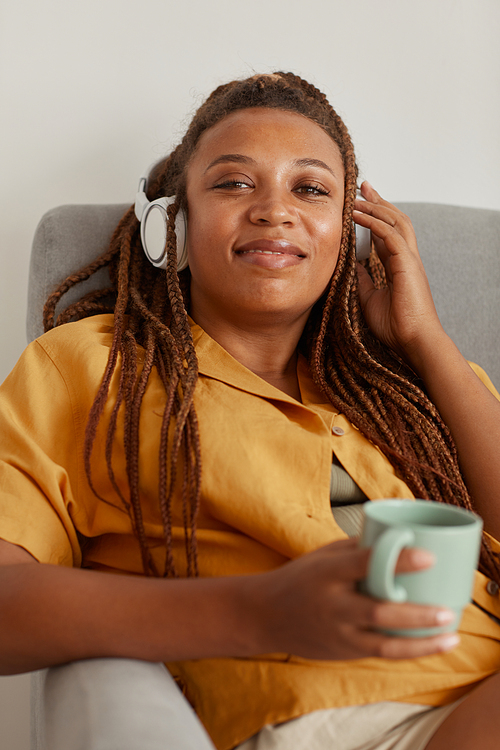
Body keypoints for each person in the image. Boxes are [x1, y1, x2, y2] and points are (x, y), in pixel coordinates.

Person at [1, 71, 500, 750]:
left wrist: (426, 339)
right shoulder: (94, 365)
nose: (275, 209)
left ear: (345, 236)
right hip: (342, 718)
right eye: (234, 183)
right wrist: (262, 613)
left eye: (312, 188)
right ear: (171, 227)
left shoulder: (400, 387)